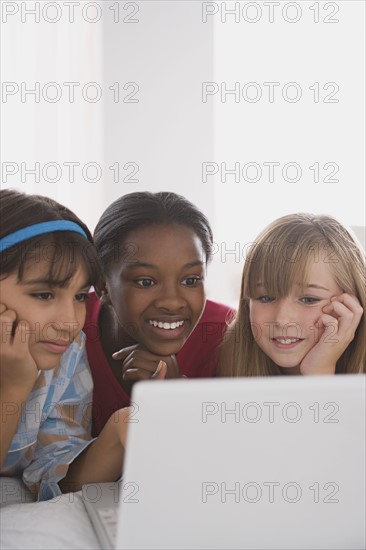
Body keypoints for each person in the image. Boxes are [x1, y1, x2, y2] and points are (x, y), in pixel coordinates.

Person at [0, 189, 132, 502]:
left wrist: (116, 433)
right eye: (44, 295)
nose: (69, 322)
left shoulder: (66, 353)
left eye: (79, 296)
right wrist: (14, 386)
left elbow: (55, 479)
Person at [83, 191, 235, 435]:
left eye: (191, 280)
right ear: (103, 286)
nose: (172, 303)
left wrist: (174, 398)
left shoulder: (227, 335)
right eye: (145, 282)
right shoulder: (68, 329)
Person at [219, 213, 365, 377]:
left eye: (309, 300)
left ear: (350, 305)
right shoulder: (228, 356)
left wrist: (319, 373)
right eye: (266, 298)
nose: (282, 320)